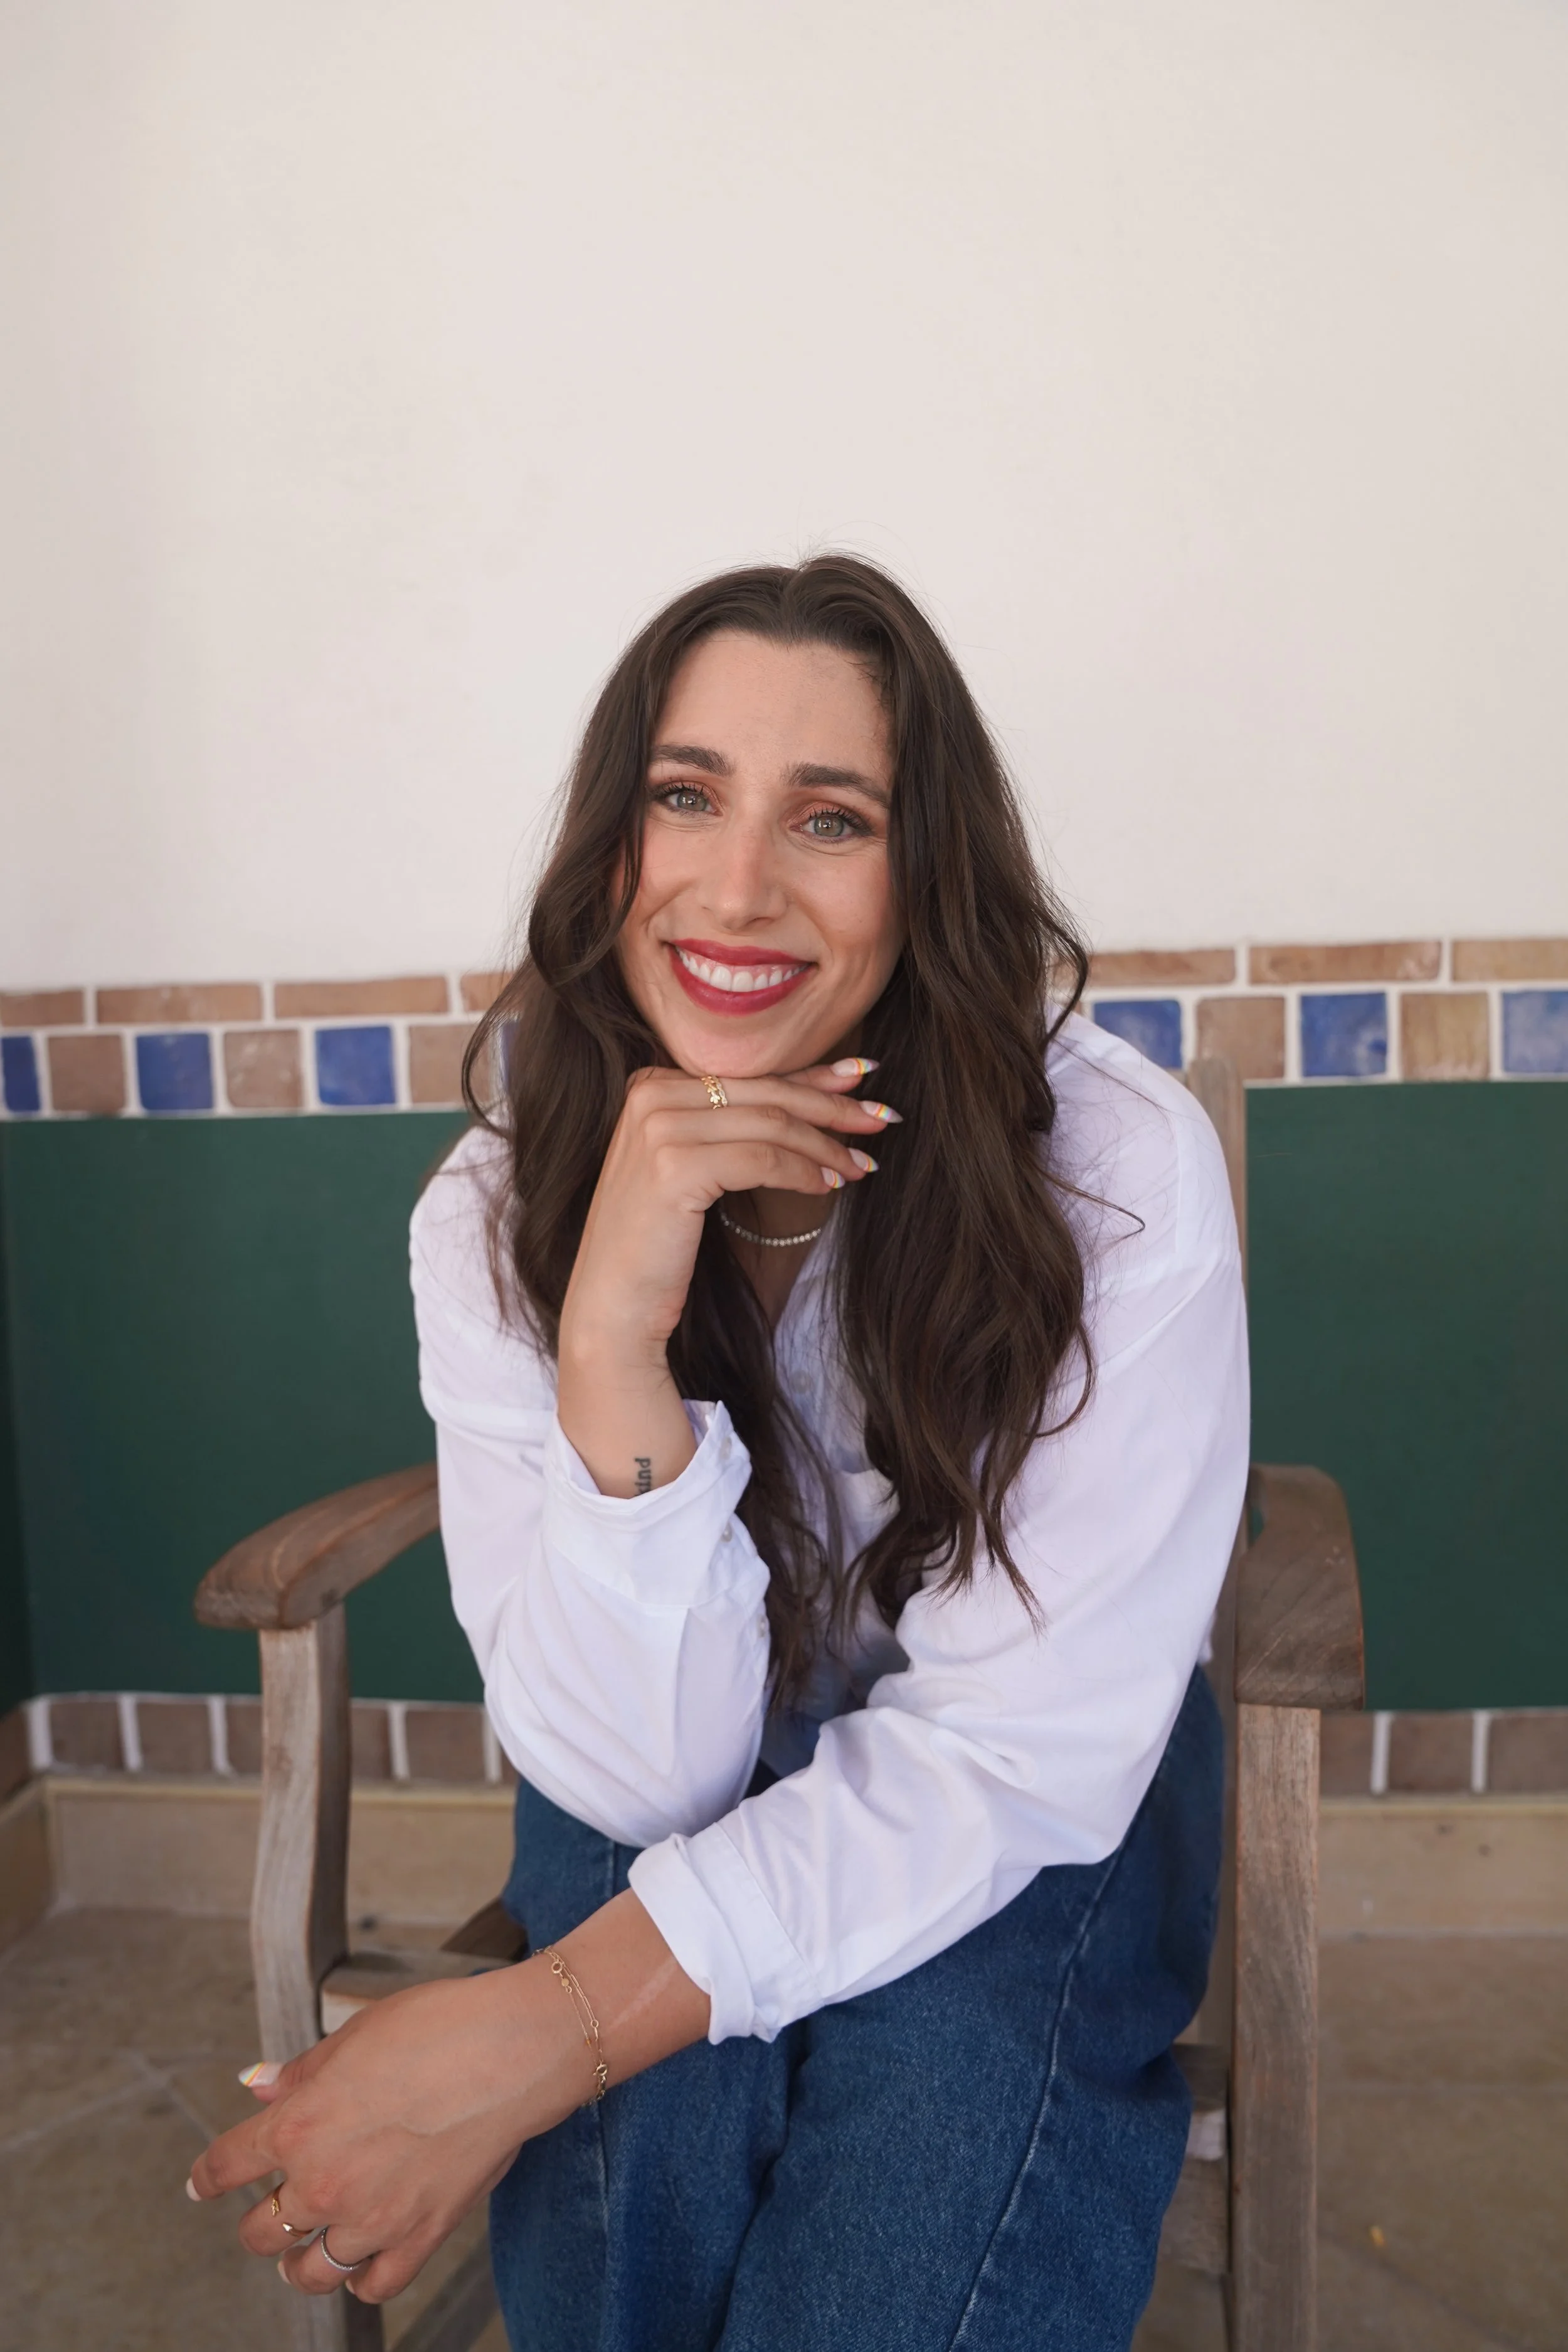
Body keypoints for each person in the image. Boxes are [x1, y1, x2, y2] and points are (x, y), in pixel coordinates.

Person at [189, 556, 1248, 2351]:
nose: (736, 884)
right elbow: (634, 1772)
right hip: (664, 1761)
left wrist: (539, 2028)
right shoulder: (494, 1209)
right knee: (645, 2152)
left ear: (927, 879)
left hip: (1021, 1779)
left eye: (828, 817)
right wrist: (613, 1337)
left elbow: (1012, 1754)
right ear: (613, 841)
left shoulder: (1108, 1175)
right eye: (684, 795)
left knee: (934, 2104)